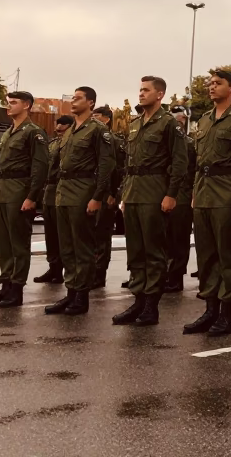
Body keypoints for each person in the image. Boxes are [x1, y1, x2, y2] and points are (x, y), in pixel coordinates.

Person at [183, 70, 231, 336]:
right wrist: (195, 191)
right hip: (204, 191)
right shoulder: (204, 120)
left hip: (228, 190)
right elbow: (198, 161)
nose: (212, 87)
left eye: (218, 83)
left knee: (226, 254)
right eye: (210, 83)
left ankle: (225, 315)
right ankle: (209, 310)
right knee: (205, 255)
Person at [112, 76, 190, 327]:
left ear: (160, 95)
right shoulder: (135, 124)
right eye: (140, 90)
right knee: (136, 252)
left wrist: (171, 194)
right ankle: (137, 300)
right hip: (135, 193)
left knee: (154, 252)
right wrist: (125, 194)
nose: (141, 94)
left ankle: (151, 306)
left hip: (155, 192)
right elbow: (128, 164)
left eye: (146, 90)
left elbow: (180, 163)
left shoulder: (168, 124)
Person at [46, 86, 115, 316]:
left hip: (83, 190)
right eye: (72, 98)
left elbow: (106, 166)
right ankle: (71, 292)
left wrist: (97, 197)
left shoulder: (97, 130)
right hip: (64, 192)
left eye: (78, 99)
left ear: (91, 103)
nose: (73, 102)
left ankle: (81, 297)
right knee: (67, 247)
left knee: (82, 247)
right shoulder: (70, 131)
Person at [0, 92, 47, 308]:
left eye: (14, 102)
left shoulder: (33, 133)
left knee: (18, 243)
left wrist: (32, 196)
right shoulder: (8, 132)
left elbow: (39, 167)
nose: (9, 106)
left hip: (19, 190)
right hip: (3, 191)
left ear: (26, 105)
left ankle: (16, 289)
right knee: (4, 243)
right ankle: (6, 284)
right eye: (8, 103)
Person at [34, 115, 73, 284]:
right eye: (57, 126)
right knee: (50, 235)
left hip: (63, 190)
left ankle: (68, 270)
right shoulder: (52, 144)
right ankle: (54, 268)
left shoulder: (70, 144)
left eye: (62, 127)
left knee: (63, 235)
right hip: (49, 191)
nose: (58, 129)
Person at [90, 105, 126, 289]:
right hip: (89, 191)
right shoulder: (91, 138)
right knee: (88, 235)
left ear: (106, 119)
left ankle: (99, 273)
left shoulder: (114, 141)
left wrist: (113, 194)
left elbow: (118, 170)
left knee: (101, 234)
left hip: (106, 194)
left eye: (96, 116)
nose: (93, 118)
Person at [163, 106, 194, 293]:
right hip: (165, 191)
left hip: (182, 194)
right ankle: (166, 274)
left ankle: (175, 277)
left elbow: (191, 172)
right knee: (165, 238)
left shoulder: (189, 143)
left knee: (178, 238)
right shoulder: (166, 143)